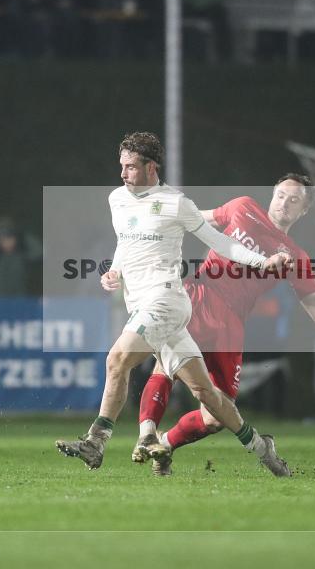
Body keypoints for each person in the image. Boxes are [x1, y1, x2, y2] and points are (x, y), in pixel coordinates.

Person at [55, 132, 293, 476]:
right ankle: (261, 446)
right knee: (206, 393)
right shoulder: (117, 199)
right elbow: (126, 240)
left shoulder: (175, 203)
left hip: (166, 300)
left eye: (131, 167)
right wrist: (115, 270)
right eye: (121, 166)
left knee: (117, 359)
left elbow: (221, 243)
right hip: (143, 305)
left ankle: (97, 440)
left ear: (152, 168)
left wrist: (263, 261)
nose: (123, 174)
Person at [131, 173, 315, 475]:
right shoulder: (243, 208)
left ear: (303, 211)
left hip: (232, 322)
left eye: (294, 200)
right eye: (281, 195)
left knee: (216, 416)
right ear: (272, 193)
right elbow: (193, 218)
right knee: (165, 365)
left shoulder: (296, 258)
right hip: (198, 298)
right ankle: (146, 437)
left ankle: (164, 443)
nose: (284, 203)